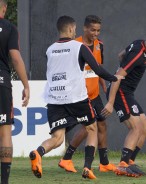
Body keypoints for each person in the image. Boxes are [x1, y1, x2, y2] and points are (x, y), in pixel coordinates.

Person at [29, 15, 122, 180]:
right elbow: (98, 69)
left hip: (54, 100)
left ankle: (38, 152)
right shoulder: (79, 46)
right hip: (76, 98)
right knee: (92, 128)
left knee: (57, 138)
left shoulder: (50, 49)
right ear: (72, 29)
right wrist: (115, 78)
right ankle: (87, 168)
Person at [101, 29, 146, 177]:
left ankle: (130, 161)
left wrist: (123, 65)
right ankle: (123, 165)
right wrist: (110, 103)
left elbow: (121, 54)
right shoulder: (138, 54)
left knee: (145, 127)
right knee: (136, 128)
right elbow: (117, 77)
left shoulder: (138, 43)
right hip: (120, 93)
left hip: (127, 94)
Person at [58, 15, 116, 173]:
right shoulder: (73, 44)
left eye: (98, 30)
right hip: (80, 95)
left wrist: (105, 88)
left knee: (102, 124)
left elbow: (98, 68)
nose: (95, 33)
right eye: (92, 30)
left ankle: (104, 163)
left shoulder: (99, 45)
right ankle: (66, 159)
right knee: (88, 127)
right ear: (84, 28)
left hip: (95, 94)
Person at [0, 1, 30, 183]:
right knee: (4, 132)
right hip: (2, 82)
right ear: (4, 8)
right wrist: (26, 85)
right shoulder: (9, 27)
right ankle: (4, 181)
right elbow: (16, 58)